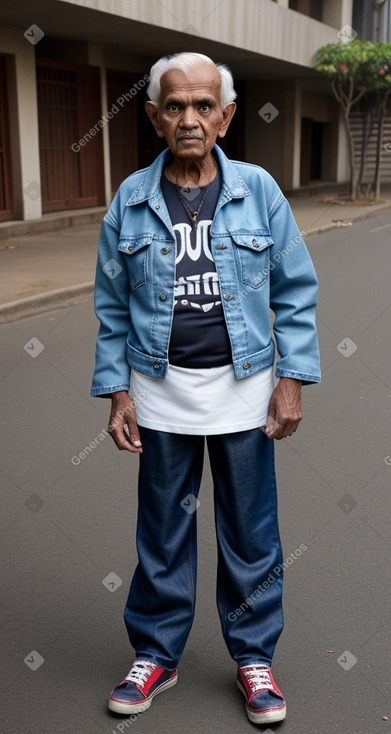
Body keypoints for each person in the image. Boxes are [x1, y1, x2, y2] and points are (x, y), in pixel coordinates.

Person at [91, 51, 321, 726]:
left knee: (250, 535)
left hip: (244, 390)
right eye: (174, 106)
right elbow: (109, 306)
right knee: (162, 533)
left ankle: (252, 656)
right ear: (154, 117)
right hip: (159, 392)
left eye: (201, 106)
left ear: (224, 117)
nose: (188, 119)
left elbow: (295, 290)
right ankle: (157, 654)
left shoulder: (259, 191)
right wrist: (118, 392)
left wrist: (292, 378)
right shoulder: (130, 200)